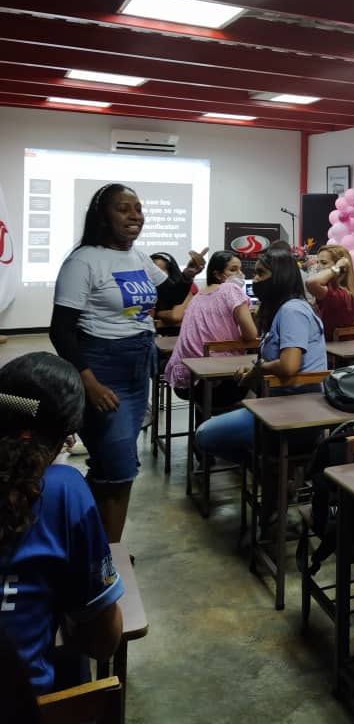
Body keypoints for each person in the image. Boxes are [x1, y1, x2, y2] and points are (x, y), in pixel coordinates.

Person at [49, 183, 207, 541]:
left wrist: (188, 274)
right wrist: (89, 382)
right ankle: (107, 559)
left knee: (111, 465)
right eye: (124, 208)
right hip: (102, 367)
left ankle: (90, 544)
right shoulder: (83, 261)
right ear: (102, 216)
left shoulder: (137, 257)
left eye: (138, 208)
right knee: (119, 469)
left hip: (137, 367)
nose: (135, 215)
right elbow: (61, 330)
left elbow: (168, 294)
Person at [0, 352, 123, 695]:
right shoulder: (61, 490)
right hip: (19, 707)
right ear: (66, 436)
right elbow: (104, 642)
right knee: (76, 661)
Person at [195, 248, 327, 463]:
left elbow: (289, 366)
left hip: (296, 407)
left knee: (205, 435)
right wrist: (255, 367)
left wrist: (258, 370)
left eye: (261, 273)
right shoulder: (281, 310)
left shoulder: (292, 311)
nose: (254, 279)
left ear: (280, 278)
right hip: (277, 400)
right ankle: (268, 468)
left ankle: (266, 468)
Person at [164, 251, 258, 406]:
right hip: (218, 380)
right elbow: (251, 335)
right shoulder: (231, 289)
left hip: (186, 380)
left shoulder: (199, 295)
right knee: (259, 380)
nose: (240, 274)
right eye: (233, 270)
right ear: (218, 274)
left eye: (240, 269)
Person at [304, 244, 354, 340]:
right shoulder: (332, 289)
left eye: (324, 263)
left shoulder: (340, 295)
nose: (318, 267)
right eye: (318, 262)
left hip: (332, 348)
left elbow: (311, 283)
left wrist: (337, 267)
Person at [151, 251, 198, 334]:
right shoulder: (147, 289)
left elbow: (175, 316)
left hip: (180, 335)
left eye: (159, 271)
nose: (154, 275)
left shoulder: (185, 287)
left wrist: (157, 313)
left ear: (170, 272)